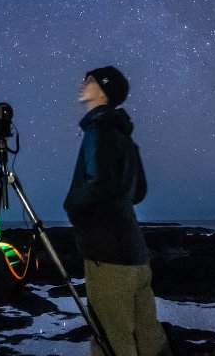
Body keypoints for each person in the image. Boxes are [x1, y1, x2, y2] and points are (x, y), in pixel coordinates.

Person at [64, 66, 171, 356]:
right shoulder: (126, 138)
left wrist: (72, 203)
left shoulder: (97, 130)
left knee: (112, 339)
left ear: (104, 89)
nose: (82, 83)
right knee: (148, 334)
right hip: (135, 253)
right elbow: (139, 192)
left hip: (108, 255)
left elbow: (100, 183)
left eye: (89, 80)